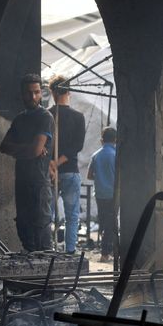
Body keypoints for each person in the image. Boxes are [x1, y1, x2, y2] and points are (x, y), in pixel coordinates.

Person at [0, 74, 54, 252]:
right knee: (25, 232)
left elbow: (35, 151)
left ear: (41, 94)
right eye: (29, 93)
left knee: (41, 235)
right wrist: (29, 149)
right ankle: (32, 278)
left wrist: (26, 150)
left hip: (38, 183)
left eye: (36, 92)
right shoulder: (19, 119)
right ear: (22, 94)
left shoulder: (45, 117)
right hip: (22, 181)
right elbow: (3, 147)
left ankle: (47, 278)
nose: (32, 97)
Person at [48, 75, 86, 254]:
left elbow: (43, 145)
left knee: (47, 216)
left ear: (52, 92)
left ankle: (47, 248)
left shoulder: (47, 114)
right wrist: (59, 162)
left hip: (49, 172)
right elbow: (76, 147)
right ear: (69, 91)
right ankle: (70, 251)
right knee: (72, 217)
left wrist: (52, 164)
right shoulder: (78, 117)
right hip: (70, 172)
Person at [88, 127, 117, 262]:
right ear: (116, 140)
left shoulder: (95, 155)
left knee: (104, 222)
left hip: (99, 194)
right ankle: (107, 253)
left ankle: (106, 251)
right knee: (112, 222)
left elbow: (89, 176)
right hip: (113, 195)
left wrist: (100, 177)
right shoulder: (116, 155)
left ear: (101, 140)